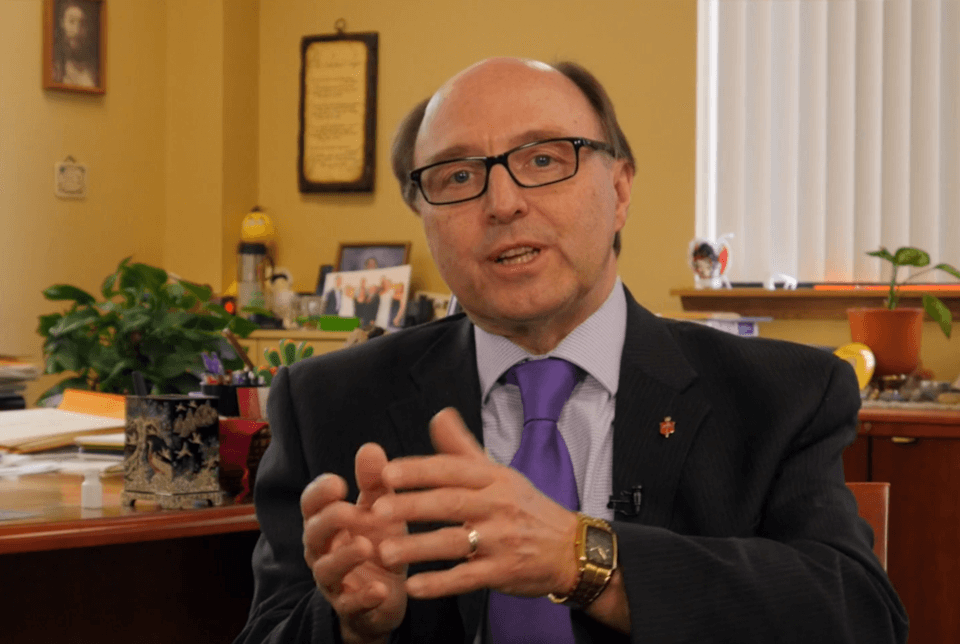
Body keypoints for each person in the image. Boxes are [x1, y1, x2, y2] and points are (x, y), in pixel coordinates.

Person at [236, 58, 908, 643]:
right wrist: (353, 628)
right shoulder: (328, 401)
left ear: (618, 191)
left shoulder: (779, 394)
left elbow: (856, 618)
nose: (502, 202)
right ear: (424, 215)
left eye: (543, 160)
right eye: (457, 175)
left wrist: (582, 559)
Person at [52, 0, 98, 88]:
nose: (77, 31)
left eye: (82, 24)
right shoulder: (54, 67)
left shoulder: (93, 70)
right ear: (62, 23)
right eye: (71, 22)